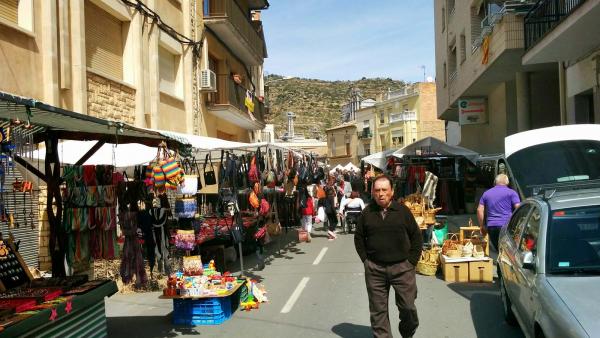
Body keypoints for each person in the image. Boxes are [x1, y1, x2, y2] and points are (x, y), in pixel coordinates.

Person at [355, 175, 422, 338]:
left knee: (408, 308)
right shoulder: (367, 213)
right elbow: (358, 237)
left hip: (402, 268)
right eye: (377, 190)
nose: (381, 194)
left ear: (392, 192)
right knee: (378, 312)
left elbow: (416, 236)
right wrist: (366, 260)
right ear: (372, 193)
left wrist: (411, 261)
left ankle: (407, 332)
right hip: (375, 270)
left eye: (384, 190)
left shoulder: (402, 211)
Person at [477, 174, 520, 252]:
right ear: (507, 183)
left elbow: (479, 210)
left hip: (492, 226)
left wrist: (482, 226)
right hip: (507, 226)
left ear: (495, 182)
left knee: (499, 251)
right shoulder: (512, 193)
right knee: (507, 252)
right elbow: (518, 208)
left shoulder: (487, 193)